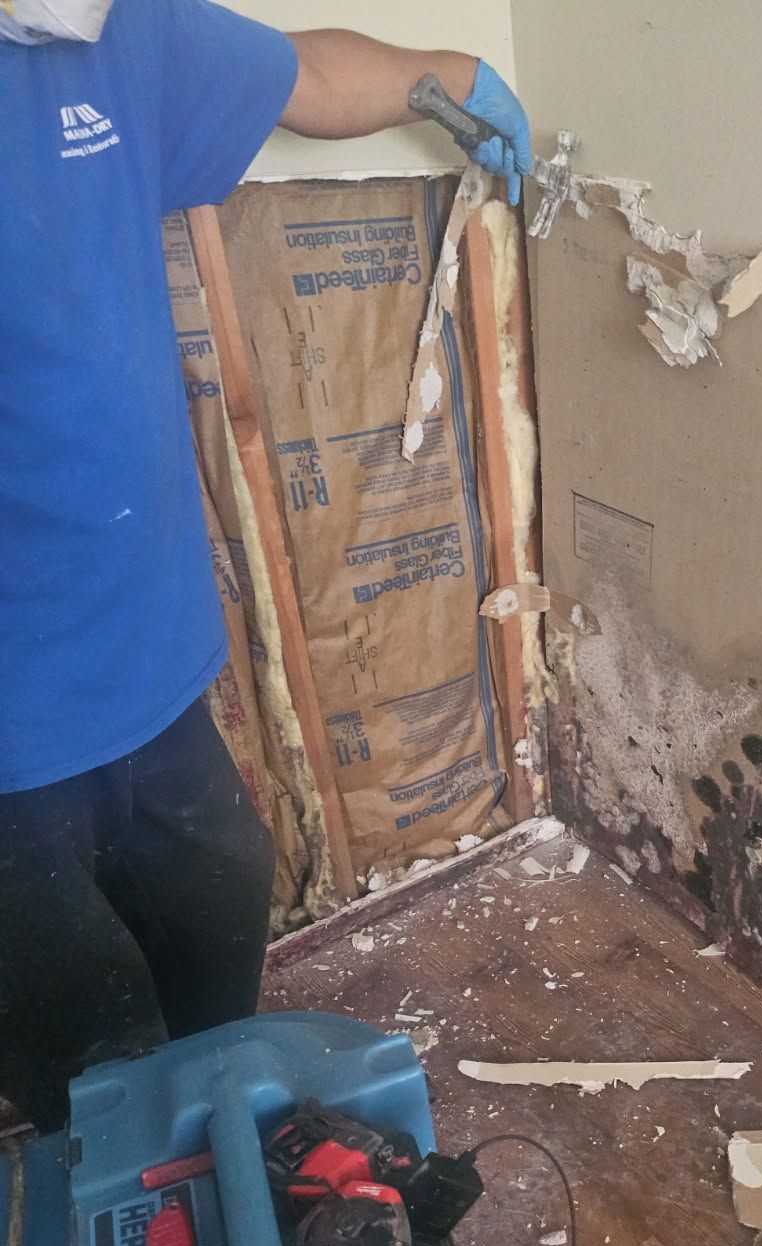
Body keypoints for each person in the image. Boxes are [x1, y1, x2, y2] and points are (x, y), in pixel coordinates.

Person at [0, 0, 532, 1130]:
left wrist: (462, 78)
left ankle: (223, 1217)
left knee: (217, 920)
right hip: (10, 732)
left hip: (146, 672)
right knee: (97, 1069)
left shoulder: (95, 31)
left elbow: (307, 76)